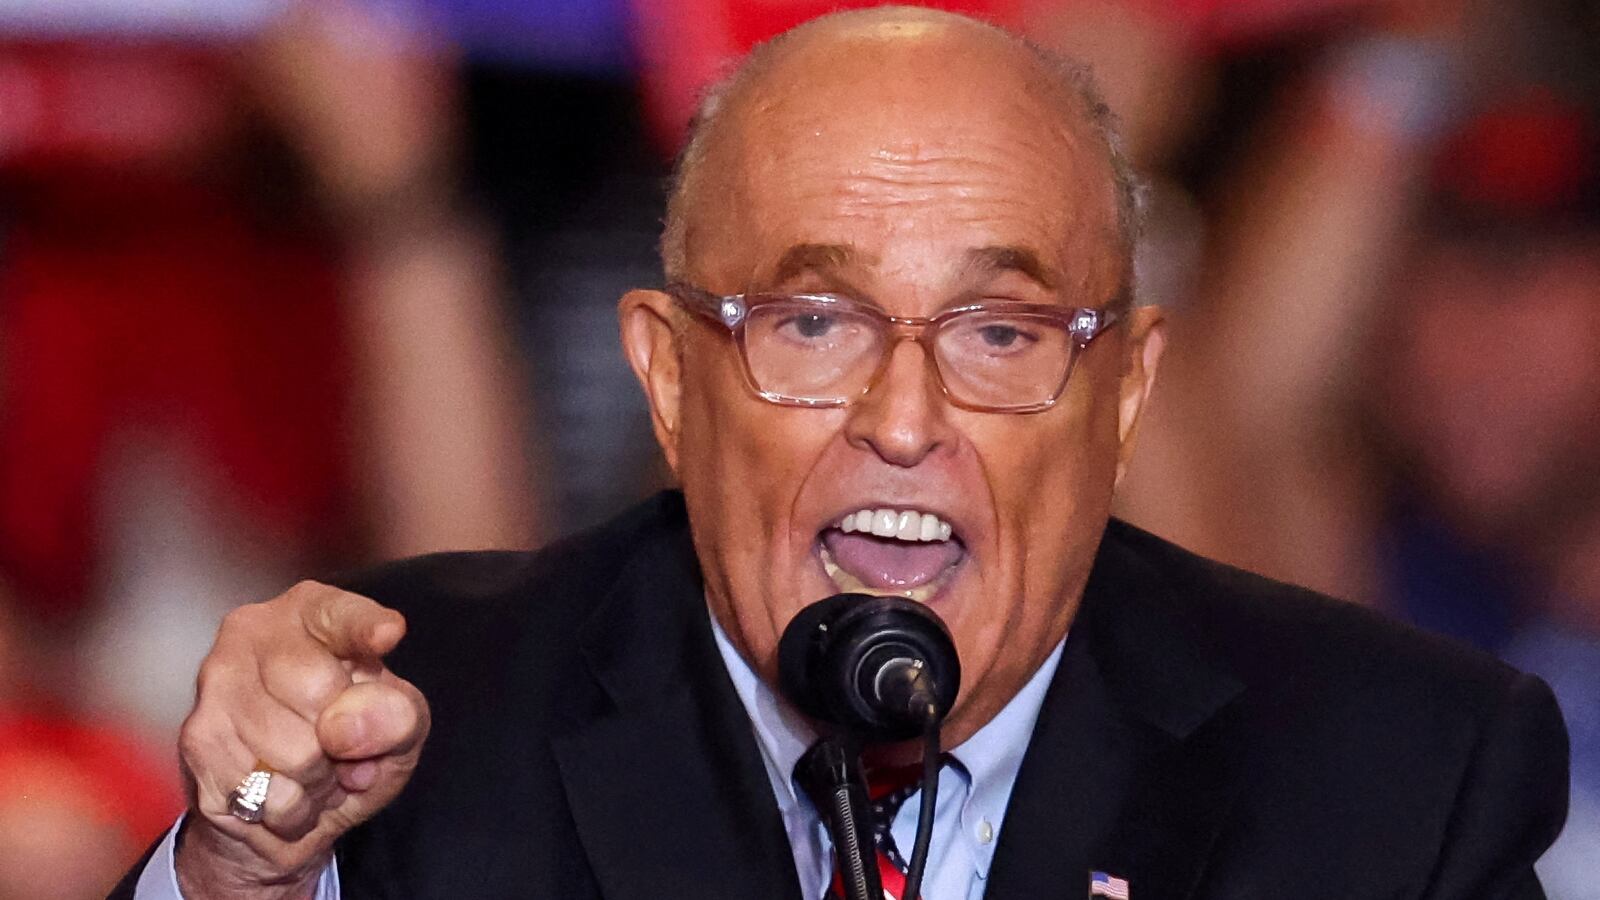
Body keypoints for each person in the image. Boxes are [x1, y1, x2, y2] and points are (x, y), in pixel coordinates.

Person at [116, 7, 1568, 899]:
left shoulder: (1399, 779)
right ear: (670, 379)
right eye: (814, 323)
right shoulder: (422, 735)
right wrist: (242, 876)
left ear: (1123, 396)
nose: (905, 417)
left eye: (1001, 333)